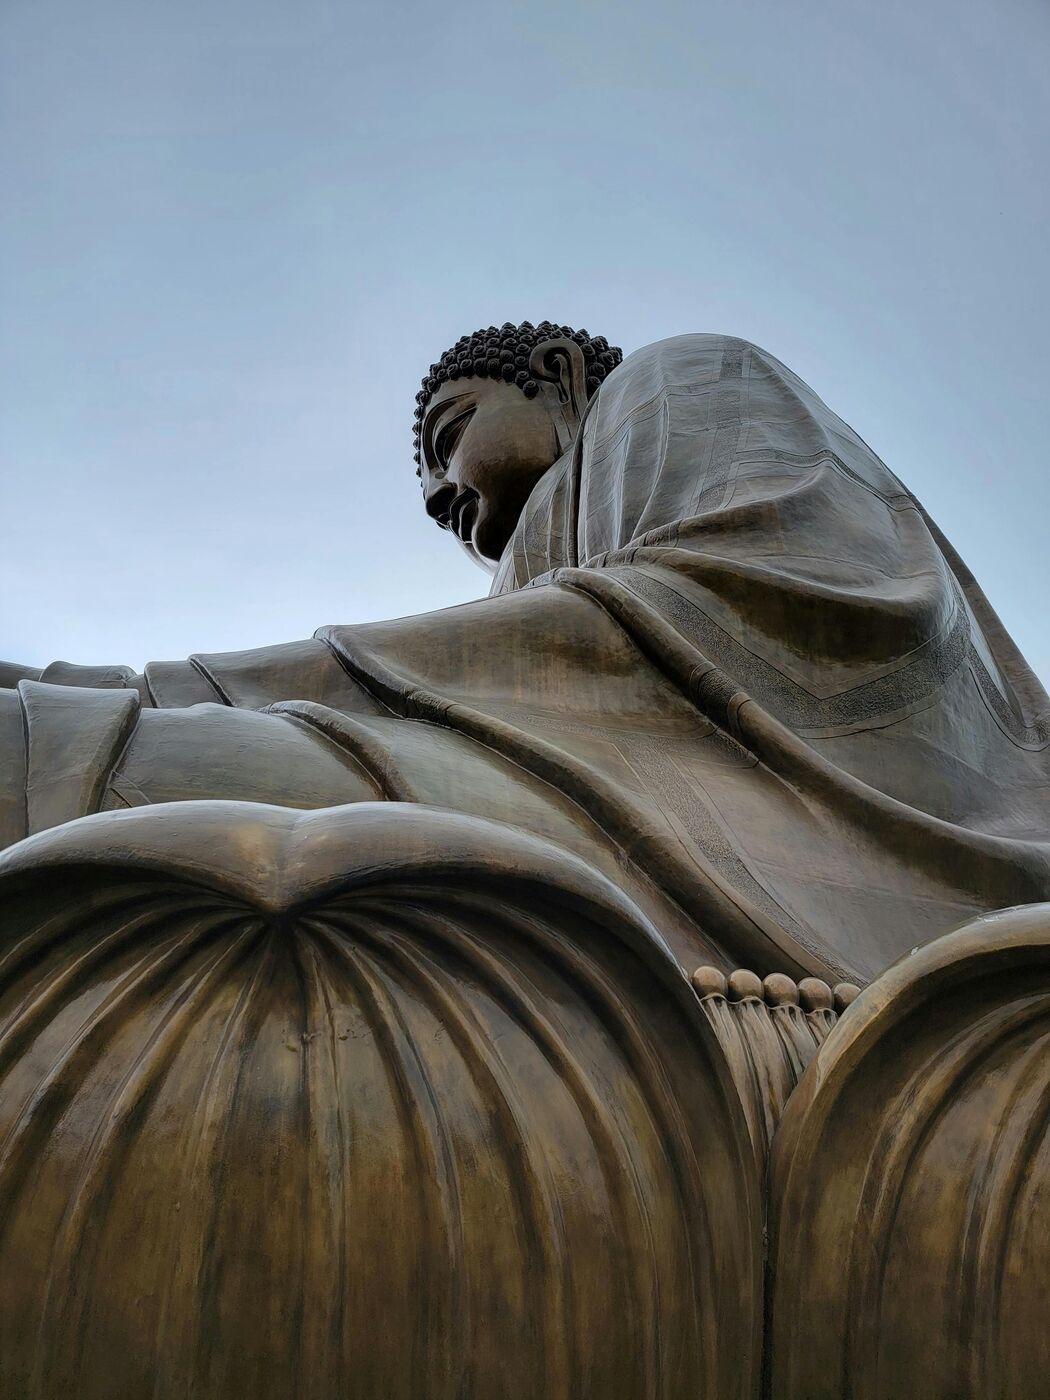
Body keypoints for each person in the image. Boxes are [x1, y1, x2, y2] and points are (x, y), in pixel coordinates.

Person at [3, 321, 1049, 984]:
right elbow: (504, 678)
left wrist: (171, 689)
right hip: (569, 781)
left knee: (79, 755)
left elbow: (792, 607)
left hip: (777, 831)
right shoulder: (536, 566)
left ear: (553, 375)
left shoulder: (678, 381)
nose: (434, 492)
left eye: (449, 434)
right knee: (68, 761)